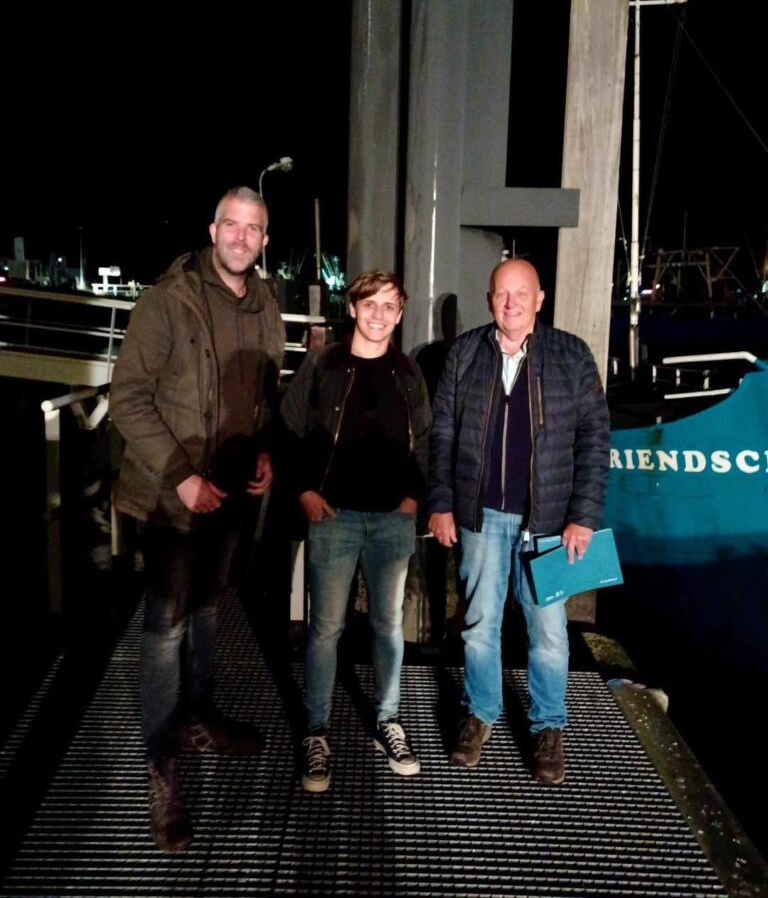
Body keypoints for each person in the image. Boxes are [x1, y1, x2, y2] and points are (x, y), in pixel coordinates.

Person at [110, 186, 285, 852]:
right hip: (171, 496)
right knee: (164, 627)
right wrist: (181, 478)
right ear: (213, 230)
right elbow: (127, 399)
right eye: (232, 225)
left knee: (209, 609)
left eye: (254, 228)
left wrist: (266, 449)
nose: (242, 237)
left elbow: (266, 393)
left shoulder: (266, 305)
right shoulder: (167, 302)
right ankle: (163, 770)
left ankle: (199, 715)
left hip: (230, 497)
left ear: (264, 239)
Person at [427, 258, 609, 784]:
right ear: (489, 300)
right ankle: (482, 714)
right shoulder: (464, 353)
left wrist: (583, 516)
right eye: (502, 293)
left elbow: (595, 439)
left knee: (549, 633)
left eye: (521, 293)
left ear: (540, 298)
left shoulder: (571, 354)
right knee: (480, 628)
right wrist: (441, 502)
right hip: (481, 517)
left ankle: (548, 725)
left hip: (550, 522)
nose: (511, 302)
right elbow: (441, 435)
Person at [279, 270, 431, 793]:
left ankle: (388, 720)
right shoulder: (323, 365)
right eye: (371, 304)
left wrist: (415, 498)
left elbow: (425, 443)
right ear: (354, 308)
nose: (379, 314)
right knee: (326, 629)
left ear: (401, 313)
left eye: (390, 306)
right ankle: (316, 732)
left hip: (393, 518)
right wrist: (304, 489)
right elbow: (290, 429)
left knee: (389, 625)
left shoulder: (408, 374)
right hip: (334, 517)